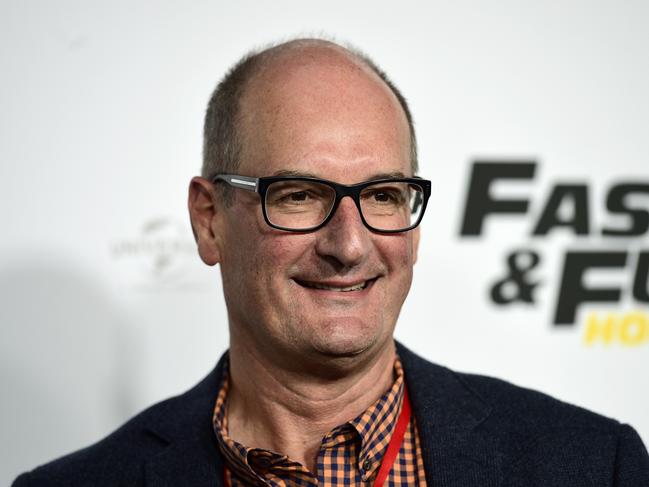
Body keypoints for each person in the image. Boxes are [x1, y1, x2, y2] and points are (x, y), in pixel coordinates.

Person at [13, 38, 649, 487]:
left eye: (381, 195)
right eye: (298, 195)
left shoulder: (597, 465)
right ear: (210, 221)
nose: (349, 245)